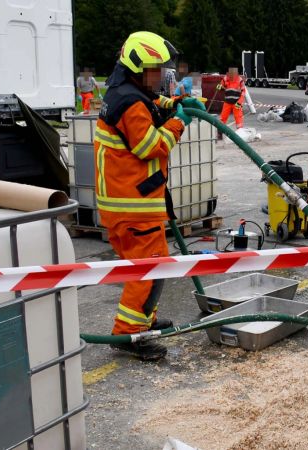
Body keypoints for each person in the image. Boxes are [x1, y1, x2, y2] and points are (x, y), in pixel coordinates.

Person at [93, 31, 205, 360]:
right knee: (149, 269)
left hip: (127, 204)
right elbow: (149, 146)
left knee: (149, 268)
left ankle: (144, 319)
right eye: (155, 70)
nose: (160, 76)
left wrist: (177, 105)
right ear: (138, 68)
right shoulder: (129, 103)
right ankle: (129, 335)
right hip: (134, 206)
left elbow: (152, 107)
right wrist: (178, 124)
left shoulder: (125, 92)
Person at [216, 67, 245, 137]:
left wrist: (239, 102)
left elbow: (243, 92)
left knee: (239, 119)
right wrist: (219, 87)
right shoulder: (225, 78)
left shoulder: (240, 80)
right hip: (227, 102)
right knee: (223, 118)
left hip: (237, 102)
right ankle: (220, 133)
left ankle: (240, 135)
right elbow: (219, 86)